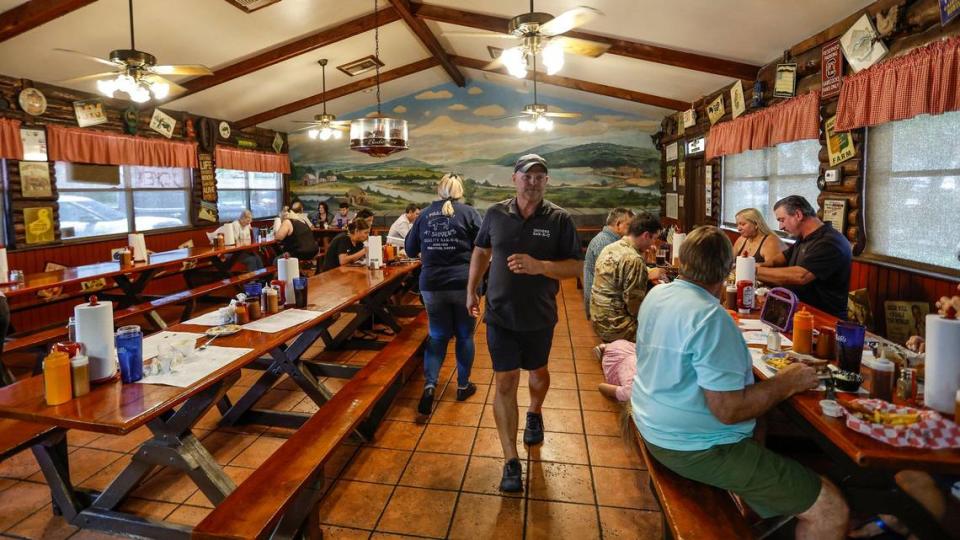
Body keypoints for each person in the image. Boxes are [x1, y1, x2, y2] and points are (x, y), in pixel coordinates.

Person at [633, 225, 848, 539]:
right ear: (727, 269)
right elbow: (729, 410)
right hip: (692, 445)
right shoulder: (710, 317)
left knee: (766, 419)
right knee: (830, 507)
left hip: (653, 421)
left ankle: (757, 498)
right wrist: (790, 380)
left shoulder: (659, 294)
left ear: (683, 259)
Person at [466, 154, 582, 492]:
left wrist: (541, 266)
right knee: (504, 382)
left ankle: (534, 410)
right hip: (499, 313)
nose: (533, 182)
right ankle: (510, 460)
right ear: (513, 179)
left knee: (538, 373)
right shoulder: (495, 214)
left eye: (540, 176)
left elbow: (576, 267)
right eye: (527, 176)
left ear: (547, 182)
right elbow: (481, 252)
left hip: (539, 315)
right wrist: (471, 289)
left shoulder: (559, 219)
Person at [405, 175, 482, 415]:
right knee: (464, 335)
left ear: (439, 191)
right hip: (463, 284)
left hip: (431, 285)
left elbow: (409, 249)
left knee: (437, 337)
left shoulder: (424, 214)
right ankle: (462, 385)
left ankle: (429, 386)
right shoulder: (470, 213)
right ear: (461, 191)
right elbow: (484, 246)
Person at [756, 195, 852, 319]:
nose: (780, 227)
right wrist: (761, 265)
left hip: (824, 317)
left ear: (798, 215)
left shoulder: (829, 242)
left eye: (782, 220)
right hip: (800, 311)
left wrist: (755, 271)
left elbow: (801, 276)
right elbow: (782, 258)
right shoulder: (805, 237)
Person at [590, 213, 663, 343]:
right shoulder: (634, 260)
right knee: (662, 332)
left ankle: (609, 348)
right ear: (646, 235)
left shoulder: (610, 248)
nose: (653, 245)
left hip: (598, 320)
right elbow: (635, 307)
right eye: (654, 239)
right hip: (616, 327)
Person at [583, 208, 634, 318]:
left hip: (601, 300)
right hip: (600, 306)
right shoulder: (604, 242)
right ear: (618, 224)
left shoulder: (610, 239)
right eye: (629, 225)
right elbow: (611, 278)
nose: (632, 229)